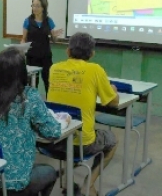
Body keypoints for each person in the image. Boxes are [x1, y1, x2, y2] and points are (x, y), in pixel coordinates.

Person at [0, 47, 62, 196]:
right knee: (49, 172)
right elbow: (53, 132)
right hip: (13, 183)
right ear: (22, 71)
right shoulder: (28, 96)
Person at [47, 32, 119, 196]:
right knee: (113, 141)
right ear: (92, 54)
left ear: (68, 51)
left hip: (53, 139)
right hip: (81, 144)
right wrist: (112, 89)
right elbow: (113, 102)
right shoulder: (95, 70)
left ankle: (67, 176)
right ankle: (89, 184)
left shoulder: (54, 68)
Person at [21, 0, 63, 94]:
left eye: (37, 6)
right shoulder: (28, 21)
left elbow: (54, 40)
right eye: (33, 5)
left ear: (43, 7)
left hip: (46, 57)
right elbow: (24, 39)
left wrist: (55, 35)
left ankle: (49, 105)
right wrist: (21, 46)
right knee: (32, 84)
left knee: (48, 82)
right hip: (32, 56)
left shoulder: (49, 21)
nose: (34, 8)